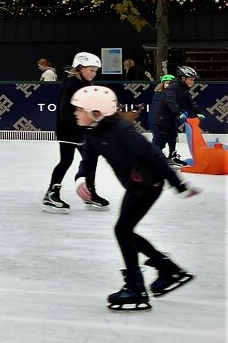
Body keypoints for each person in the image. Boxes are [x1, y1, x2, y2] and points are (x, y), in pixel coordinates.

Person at [70, 86, 200, 311]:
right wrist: (81, 180)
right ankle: (166, 268)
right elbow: (87, 161)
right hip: (135, 184)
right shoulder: (93, 133)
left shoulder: (122, 130)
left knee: (122, 230)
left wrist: (178, 183)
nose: (75, 113)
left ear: (96, 112)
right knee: (125, 231)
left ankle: (136, 287)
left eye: (79, 109)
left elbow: (154, 155)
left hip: (149, 183)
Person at [42, 51, 105, 214]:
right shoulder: (70, 85)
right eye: (91, 70)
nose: (94, 73)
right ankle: (52, 194)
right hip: (68, 131)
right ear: (79, 68)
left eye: (95, 70)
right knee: (66, 161)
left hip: (82, 131)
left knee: (90, 159)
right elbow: (65, 112)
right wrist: (82, 125)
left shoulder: (87, 86)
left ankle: (90, 193)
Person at [152, 66, 206, 166]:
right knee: (160, 141)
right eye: (191, 79)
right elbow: (170, 101)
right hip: (160, 118)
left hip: (170, 118)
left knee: (172, 137)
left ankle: (172, 157)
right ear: (183, 78)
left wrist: (197, 112)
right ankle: (149, 161)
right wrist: (178, 113)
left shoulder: (183, 89)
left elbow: (190, 101)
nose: (193, 82)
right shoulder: (173, 87)